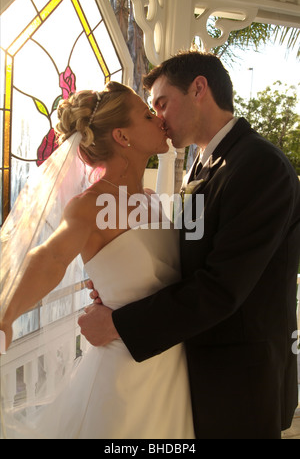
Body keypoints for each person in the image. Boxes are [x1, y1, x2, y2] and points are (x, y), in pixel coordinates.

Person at [79, 51, 300, 439]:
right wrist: (120, 282)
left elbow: (220, 288)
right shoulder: (202, 164)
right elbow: (185, 256)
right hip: (190, 374)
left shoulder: (260, 165)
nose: (158, 117)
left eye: (162, 103)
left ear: (199, 88)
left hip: (240, 384)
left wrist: (118, 323)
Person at [0, 81, 195, 439]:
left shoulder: (151, 200)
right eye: (147, 114)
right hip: (123, 380)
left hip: (171, 370)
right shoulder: (90, 205)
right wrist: (6, 315)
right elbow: (52, 257)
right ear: (123, 136)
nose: (160, 120)